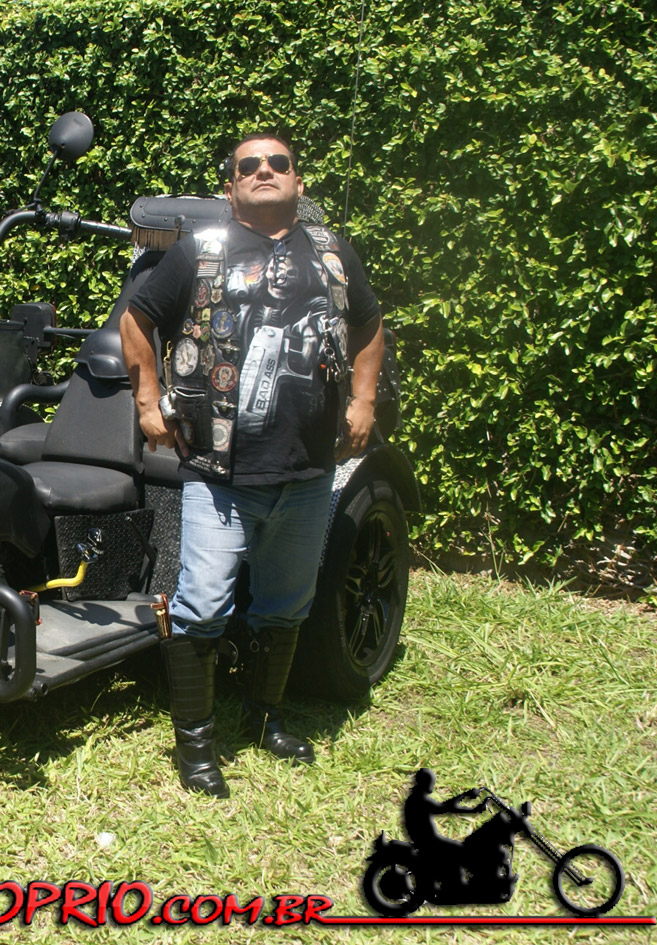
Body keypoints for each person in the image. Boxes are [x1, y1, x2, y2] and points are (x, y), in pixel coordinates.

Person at [120, 133, 385, 797]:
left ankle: (267, 719)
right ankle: (197, 746)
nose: (264, 171)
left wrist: (362, 399)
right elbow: (137, 319)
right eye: (249, 166)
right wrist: (147, 400)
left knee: (285, 606)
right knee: (202, 605)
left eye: (278, 163)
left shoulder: (331, 252)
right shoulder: (198, 251)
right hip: (217, 473)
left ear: (298, 181)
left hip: (307, 471)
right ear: (231, 186)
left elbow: (368, 323)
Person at [402, 769, 485, 882]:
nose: (432, 785)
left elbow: (444, 807)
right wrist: (465, 798)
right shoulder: (419, 800)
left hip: (426, 839)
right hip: (428, 840)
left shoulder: (415, 798)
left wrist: (469, 805)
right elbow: (443, 808)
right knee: (461, 851)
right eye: (431, 782)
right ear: (424, 782)